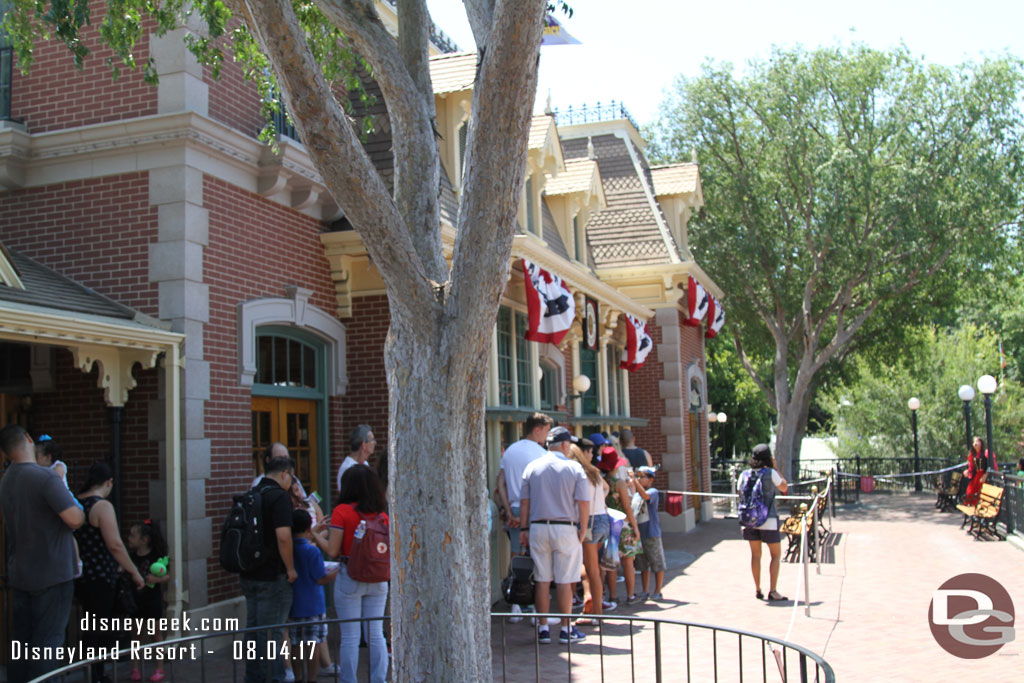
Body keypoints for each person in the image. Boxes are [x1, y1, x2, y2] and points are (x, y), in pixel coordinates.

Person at [0, 425, 85, 683]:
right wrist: (60, 480)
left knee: (22, 641)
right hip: (52, 573)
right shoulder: (45, 477)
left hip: (21, 573)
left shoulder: (6, 480)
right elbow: (75, 518)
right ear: (28, 439)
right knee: (47, 642)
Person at [76, 461, 146, 683]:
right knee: (100, 628)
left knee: (90, 626)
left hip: (81, 575)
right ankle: (96, 674)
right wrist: (134, 571)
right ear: (109, 482)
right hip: (101, 577)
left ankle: (92, 672)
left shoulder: (76, 503)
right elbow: (115, 544)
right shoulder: (102, 507)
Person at [519, 426, 589, 645]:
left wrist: (523, 528)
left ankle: (543, 628)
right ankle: (566, 629)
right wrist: (583, 528)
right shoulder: (574, 468)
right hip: (566, 527)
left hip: (538, 527)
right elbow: (583, 502)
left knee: (541, 579)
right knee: (565, 579)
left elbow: (524, 502)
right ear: (566, 445)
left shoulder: (532, 467)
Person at [328, 465, 390, 683]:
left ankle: (349, 680)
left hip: (350, 576)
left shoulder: (341, 512)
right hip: (379, 577)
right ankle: (378, 679)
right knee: (376, 633)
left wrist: (316, 536)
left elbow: (332, 550)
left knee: (350, 637)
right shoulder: (382, 515)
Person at [240, 456, 298, 683]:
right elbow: (284, 538)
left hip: (249, 575)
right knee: (272, 633)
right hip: (272, 577)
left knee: (253, 630)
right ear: (285, 474)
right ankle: (273, 678)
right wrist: (291, 569)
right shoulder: (279, 498)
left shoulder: (251, 494)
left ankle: (252, 677)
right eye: (291, 476)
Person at [496, 412, 552, 621]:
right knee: (536, 557)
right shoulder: (541, 453)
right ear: (536, 429)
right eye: (546, 431)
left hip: (514, 509)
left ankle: (516, 606)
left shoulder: (509, 451)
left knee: (516, 555)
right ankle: (536, 608)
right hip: (534, 510)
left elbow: (500, 482)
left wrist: (509, 510)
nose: (546, 436)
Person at [289, 510, 340, 683]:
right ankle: (311, 678)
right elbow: (321, 578)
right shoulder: (312, 552)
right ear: (307, 528)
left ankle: (298, 677)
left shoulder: (288, 548)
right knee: (312, 644)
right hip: (313, 604)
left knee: (295, 643)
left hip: (294, 603)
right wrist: (337, 571)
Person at [739, 444, 789, 601]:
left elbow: (740, 494)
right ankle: (773, 590)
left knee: (755, 555)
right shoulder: (770, 473)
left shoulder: (744, 474)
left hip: (749, 520)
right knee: (775, 555)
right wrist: (775, 467)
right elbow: (784, 486)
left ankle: (757, 589)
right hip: (768, 519)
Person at [567, 441, 608, 626]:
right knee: (592, 568)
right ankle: (591, 607)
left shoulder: (579, 474)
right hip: (602, 518)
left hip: (589, 521)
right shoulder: (594, 471)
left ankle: (597, 614)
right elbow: (606, 488)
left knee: (592, 570)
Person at [127, 520, 171, 682]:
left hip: (152, 601)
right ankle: (135, 668)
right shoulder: (131, 557)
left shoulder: (156, 557)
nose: (129, 538)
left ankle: (159, 668)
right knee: (136, 636)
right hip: (136, 601)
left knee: (155, 634)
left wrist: (157, 579)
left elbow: (167, 576)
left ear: (144, 540)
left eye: (132, 535)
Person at [632, 466, 667, 600]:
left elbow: (645, 496)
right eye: (638, 476)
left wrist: (634, 481)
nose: (639, 479)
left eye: (642, 477)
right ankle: (644, 590)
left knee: (656, 563)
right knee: (642, 565)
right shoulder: (635, 495)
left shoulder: (653, 492)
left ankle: (658, 590)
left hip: (651, 532)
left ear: (651, 480)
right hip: (640, 533)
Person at [336, 424, 375, 493]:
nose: (375, 443)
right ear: (364, 445)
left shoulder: (365, 464)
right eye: (372, 440)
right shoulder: (348, 468)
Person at [964, 437, 997, 505]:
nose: (975, 443)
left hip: (983, 476)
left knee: (981, 493)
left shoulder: (985, 453)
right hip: (976, 476)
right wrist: (968, 471)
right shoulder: (973, 455)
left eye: (977, 441)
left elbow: (990, 466)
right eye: (974, 442)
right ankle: (972, 507)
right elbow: (972, 467)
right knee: (970, 491)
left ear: (981, 443)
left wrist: (985, 475)